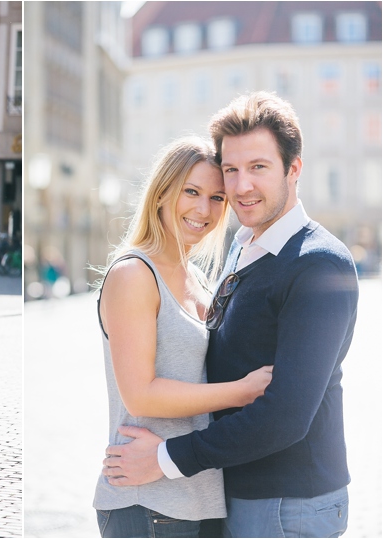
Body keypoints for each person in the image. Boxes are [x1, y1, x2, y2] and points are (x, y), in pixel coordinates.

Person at [102, 92, 359, 538]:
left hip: (286, 500)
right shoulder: (242, 248)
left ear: (293, 169)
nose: (241, 187)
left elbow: (285, 415)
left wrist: (168, 457)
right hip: (224, 494)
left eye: (258, 167)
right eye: (231, 170)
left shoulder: (319, 265)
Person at [94, 137, 273, 538]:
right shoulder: (134, 275)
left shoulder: (201, 281)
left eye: (216, 197)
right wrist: (242, 391)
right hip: (147, 502)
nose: (202, 209)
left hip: (200, 495)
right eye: (191, 192)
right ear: (161, 193)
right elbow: (140, 395)